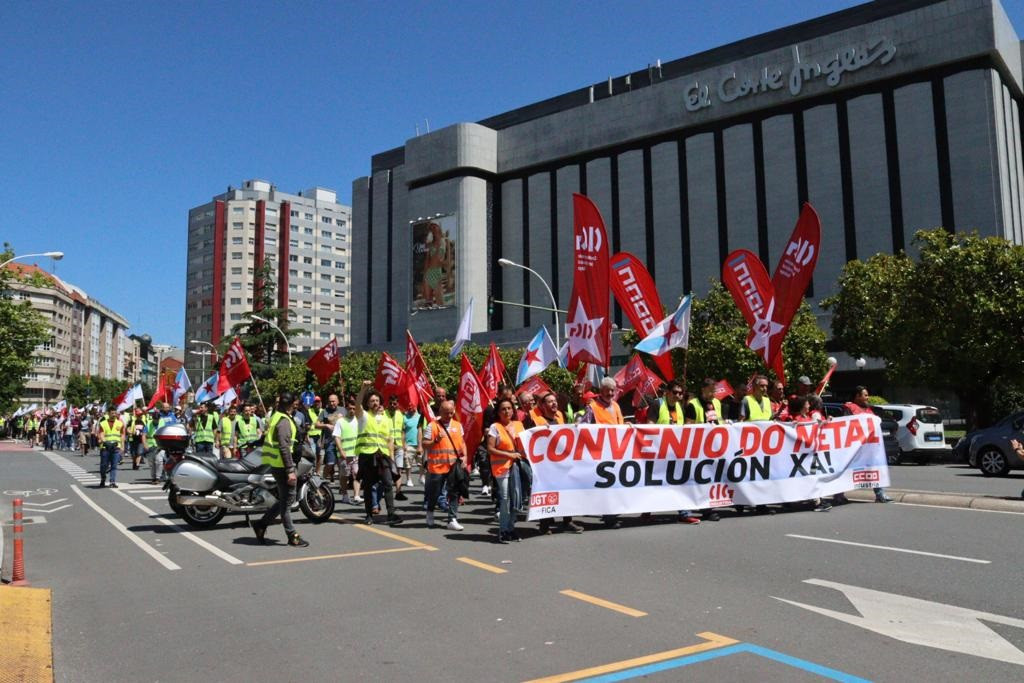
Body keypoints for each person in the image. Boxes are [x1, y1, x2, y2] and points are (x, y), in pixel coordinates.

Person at [251, 392, 309, 547]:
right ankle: (292, 535)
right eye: (295, 404)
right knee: (287, 502)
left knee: (284, 500)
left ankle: (261, 524)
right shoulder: (283, 421)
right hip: (283, 466)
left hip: (278, 465)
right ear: (291, 404)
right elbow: (284, 447)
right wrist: (290, 470)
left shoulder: (276, 416)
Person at [528, 392, 583, 534]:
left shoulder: (559, 417)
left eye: (555, 401)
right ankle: (544, 524)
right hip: (545, 464)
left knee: (565, 491)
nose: (554, 404)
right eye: (550, 402)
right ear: (543, 405)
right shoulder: (538, 420)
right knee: (546, 493)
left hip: (561, 462)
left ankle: (567, 521)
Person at [577, 377, 626, 528]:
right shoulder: (592, 407)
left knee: (615, 484)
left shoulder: (616, 406)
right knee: (607, 484)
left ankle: (611, 514)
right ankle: (609, 516)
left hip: (617, 451)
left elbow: (620, 424)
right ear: (600, 391)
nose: (610, 393)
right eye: (607, 390)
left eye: (612, 390)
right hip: (601, 452)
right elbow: (583, 426)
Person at [354, 381, 403, 526]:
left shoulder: (386, 419)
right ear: (368, 404)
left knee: (388, 483)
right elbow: (357, 405)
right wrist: (363, 389)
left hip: (382, 457)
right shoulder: (363, 416)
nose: (375, 402)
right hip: (367, 455)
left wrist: (391, 458)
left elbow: (389, 440)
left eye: (377, 400)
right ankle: (369, 515)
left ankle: (391, 513)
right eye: (372, 401)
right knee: (368, 486)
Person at [422, 399, 468, 531]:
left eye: (451, 413)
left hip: (453, 466)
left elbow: (462, 443)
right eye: (446, 413)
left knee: (454, 492)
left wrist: (464, 456)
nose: (449, 415)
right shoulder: (432, 426)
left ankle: (452, 519)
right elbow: (425, 443)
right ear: (440, 412)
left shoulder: (458, 426)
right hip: (437, 467)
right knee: (434, 493)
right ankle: (430, 512)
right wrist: (435, 440)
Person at [844, 386, 892, 503]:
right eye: (865, 395)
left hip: (868, 446)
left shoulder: (868, 410)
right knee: (845, 469)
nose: (867, 397)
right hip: (854, 446)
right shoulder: (849, 408)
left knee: (874, 467)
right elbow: (845, 425)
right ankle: (838, 494)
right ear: (857, 396)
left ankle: (880, 493)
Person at [487, 398, 524, 543]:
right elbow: (490, 448)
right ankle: (503, 530)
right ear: (498, 412)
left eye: (509, 408)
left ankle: (511, 528)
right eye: (503, 409)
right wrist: (509, 455)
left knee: (516, 497)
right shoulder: (495, 427)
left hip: (517, 466)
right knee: (505, 498)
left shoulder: (519, 425)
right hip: (501, 468)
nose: (507, 411)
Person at [739, 375, 775, 514]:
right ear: (754, 387)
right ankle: (741, 502)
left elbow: (771, 420)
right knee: (747, 475)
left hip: (764, 446)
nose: (764, 388)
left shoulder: (767, 401)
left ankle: (761, 503)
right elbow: (741, 422)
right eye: (762, 386)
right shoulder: (746, 400)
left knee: (762, 475)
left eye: (766, 386)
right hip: (749, 444)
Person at [332, 395, 362, 504]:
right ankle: (344, 494)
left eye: (354, 408)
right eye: (350, 408)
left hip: (356, 453)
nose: (352, 411)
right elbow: (337, 437)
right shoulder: (341, 421)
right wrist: (341, 450)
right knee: (344, 476)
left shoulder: (358, 421)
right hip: (344, 454)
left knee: (356, 474)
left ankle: (356, 495)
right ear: (346, 408)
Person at [316, 394, 345, 486]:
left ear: (338, 401)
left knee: (342, 465)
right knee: (330, 463)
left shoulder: (343, 410)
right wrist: (326, 425)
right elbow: (316, 425)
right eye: (330, 401)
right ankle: (321, 481)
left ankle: (342, 487)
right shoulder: (324, 412)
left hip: (342, 441)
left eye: (333, 401)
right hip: (330, 442)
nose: (332, 403)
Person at [97, 407, 125, 488]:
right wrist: (104, 441)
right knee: (104, 465)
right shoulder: (103, 423)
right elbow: (101, 433)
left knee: (114, 465)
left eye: (115, 413)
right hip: (105, 447)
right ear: (108, 413)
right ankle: (103, 478)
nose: (114, 415)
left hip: (116, 447)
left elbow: (122, 434)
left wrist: (122, 446)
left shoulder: (120, 423)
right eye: (112, 413)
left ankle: (112, 481)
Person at [150, 402, 177, 484]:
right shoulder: (160, 416)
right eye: (164, 407)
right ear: (162, 408)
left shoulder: (172, 416)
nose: (166, 409)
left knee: (170, 457)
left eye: (167, 407)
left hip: (171, 438)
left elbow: (175, 426)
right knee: (160, 458)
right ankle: (161, 475)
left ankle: (170, 474)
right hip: (162, 440)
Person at [306, 397, 324, 474]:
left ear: (320, 402)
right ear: (313, 403)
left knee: (320, 455)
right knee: (312, 455)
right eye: (315, 402)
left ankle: (317, 471)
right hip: (311, 436)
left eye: (318, 402)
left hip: (320, 436)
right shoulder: (309, 411)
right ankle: (312, 471)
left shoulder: (323, 411)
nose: (317, 403)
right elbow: (307, 424)